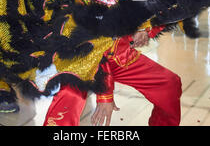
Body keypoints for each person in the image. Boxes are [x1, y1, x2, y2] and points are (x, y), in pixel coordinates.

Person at [43, 26, 182, 126]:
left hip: (120, 55)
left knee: (170, 84)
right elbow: (96, 45)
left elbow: (158, 11)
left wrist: (145, 30)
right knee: (71, 94)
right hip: (81, 58)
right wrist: (105, 94)